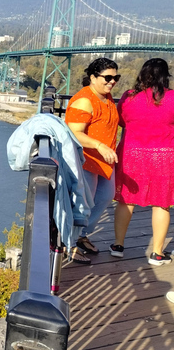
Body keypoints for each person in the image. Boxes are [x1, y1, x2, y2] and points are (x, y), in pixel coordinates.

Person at [111, 58, 174, 266]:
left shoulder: (129, 97)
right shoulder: (173, 98)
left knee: (126, 200)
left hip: (131, 154)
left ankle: (118, 246)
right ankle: (156, 253)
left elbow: (121, 121)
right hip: (163, 156)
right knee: (161, 203)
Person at [64, 57, 120, 264]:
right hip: (85, 160)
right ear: (93, 77)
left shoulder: (107, 97)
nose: (112, 82)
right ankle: (69, 243)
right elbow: (74, 132)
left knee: (105, 197)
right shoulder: (84, 100)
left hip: (104, 161)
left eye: (115, 78)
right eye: (107, 77)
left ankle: (81, 235)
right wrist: (99, 145)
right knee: (81, 204)